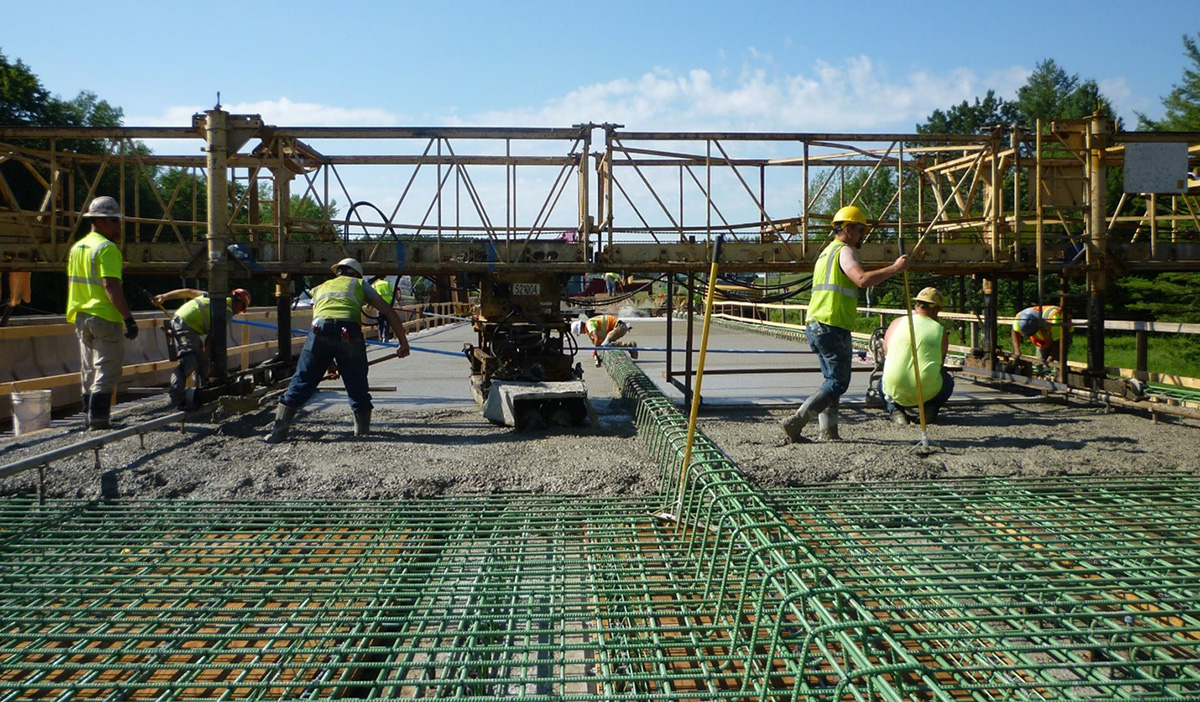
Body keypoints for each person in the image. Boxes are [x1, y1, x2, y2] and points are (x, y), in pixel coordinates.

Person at [782, 205, 908, 442]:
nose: (863, 236)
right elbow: (861, 280)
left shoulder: (825, 253)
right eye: (861, 230)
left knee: (831, 381)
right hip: (832, 323)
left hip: (818, 323)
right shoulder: (845, 251)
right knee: (839, 382)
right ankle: (796, 421)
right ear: (849, 229)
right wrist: (894, 268)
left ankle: (828, 431)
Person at [266, 258, 410, 443]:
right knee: (356, 381)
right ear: (356, 273)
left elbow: (322, 321)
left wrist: (329, 363)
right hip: (348, 332)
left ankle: (278, 432)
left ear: (338, 272)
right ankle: (362, 433)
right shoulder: (358, 284)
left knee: (303, 379)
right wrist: (403, 342)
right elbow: (389, 312)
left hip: (318, 331)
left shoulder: (321, 287)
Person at [66, 196, 137, 430]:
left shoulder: (77, 248)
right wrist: (128, 318)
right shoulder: (106, 248)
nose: (118, 226)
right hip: (105, 317)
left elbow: (72, 283)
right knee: (108, 368)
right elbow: (111, 286)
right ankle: (99, 419)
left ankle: (88, 416)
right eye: (114, 221)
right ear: (101, 221)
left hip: (81, 316)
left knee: (88, 369)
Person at [151, 287, 251, 408]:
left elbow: (188, 292)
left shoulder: (212, 296)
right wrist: (207, 354)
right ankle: (176, 397)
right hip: (185, 325)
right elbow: (211, 338)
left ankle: (202, 390)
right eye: (241, 309)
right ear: (239, 302)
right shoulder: (227, 311)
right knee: (189, 362)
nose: (238, 312)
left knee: (203, 363)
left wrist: (164, 296)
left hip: (185, 325)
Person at [879, 287, 954, 425]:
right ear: (936, 309)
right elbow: (940, 364)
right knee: (948, 381)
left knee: (882, 382)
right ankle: (929, 408)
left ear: (916, 306)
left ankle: (895, 410)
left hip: (895, 388)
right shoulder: (941, 331)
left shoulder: (897, 323)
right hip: (926, 391)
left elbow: (886, 352)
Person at [571, 314, 638, 367]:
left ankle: (630, 346)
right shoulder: (589, 328)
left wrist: (595, 351)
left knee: (605, 345)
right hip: (619, 327)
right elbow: (597, 342)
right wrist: (597, 351)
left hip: (619, 327)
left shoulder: (589, 324)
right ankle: (629, 346)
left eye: (581, 332)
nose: (582, 333)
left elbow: (596, 338)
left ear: (580, 329)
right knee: (605, 345)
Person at [368, 276, 396, 342]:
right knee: (387, 322)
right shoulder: (388, 284)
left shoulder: (374, 285)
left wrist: (370, 305)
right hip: (388, 305)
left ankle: (380, 337)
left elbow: (371, 296)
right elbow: (393, 294)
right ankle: (385, 337)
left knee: (380, 322)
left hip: (379, 306)